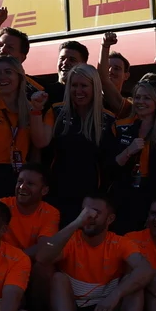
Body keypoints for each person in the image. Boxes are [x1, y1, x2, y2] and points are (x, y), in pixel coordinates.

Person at [39, 194, 154, 311]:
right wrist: (76, 223)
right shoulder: (70, 240)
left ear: (110, 219)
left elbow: (145, 270)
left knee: (134, 281)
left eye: (96, 212)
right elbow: (42, 257)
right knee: (57, 278)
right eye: (85, 211)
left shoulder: (121, 243)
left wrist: (116, 295)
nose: (89, 217)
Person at [0, 55, 53, 199]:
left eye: (8, 72)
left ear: (19, 76)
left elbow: (40, 142)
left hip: (21, 176)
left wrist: (36, 111)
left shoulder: (31, 105)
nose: (2, 77)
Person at [46, 63, 118, 225]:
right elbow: (41, 148)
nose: (78, 91)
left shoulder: (108, 120)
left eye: (84, 86)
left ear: (95, 87)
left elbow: (110, 164)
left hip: (91, 198)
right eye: (74, 85)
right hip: (56, 193)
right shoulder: (56, 112)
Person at [109, 74, 156, 235]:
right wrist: (128, 151)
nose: (140, 102)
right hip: (122, 195)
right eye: (137, 97)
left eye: (147, 98)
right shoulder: (119, 127)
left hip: (153, 199)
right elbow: (108, 167)